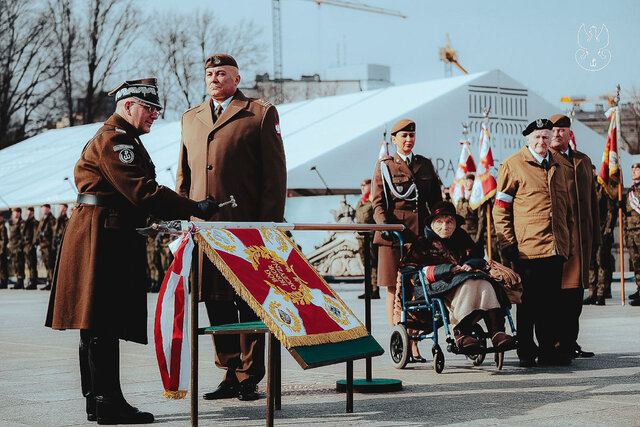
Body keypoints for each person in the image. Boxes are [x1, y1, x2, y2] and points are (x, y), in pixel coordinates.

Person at [45, 78, 218, 424]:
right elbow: (143, 191)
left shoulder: (122, 139)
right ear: (128, 106)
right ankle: (107, 401)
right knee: (102, 321)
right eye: (149, 108)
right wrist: (192, 207)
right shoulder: (116, 140)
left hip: (101, 231)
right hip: (102, 235)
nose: (155, 115)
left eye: (157, 109)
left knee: (95, 323)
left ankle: (98, 400)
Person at [176, 53, 287, 402]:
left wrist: (267, 227)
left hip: (245, 230)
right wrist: (182, 216)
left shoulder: (259, 114)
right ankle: (228, 370)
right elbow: (185, 176)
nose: (214, 78)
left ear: (236, 79)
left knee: (250, 301)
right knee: (215, 301)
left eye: (221, 73)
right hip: (204, 231)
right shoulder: (190, 119)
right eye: (209, 73)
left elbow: (274, 175)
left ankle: (250, 375)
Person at [494, 118, 573, 367]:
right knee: (528, 303)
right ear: (528, 139)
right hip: (527, 248)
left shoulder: (559, 164)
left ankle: (548, 349)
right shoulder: (513, 165)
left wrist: (567, 240)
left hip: (555, 246)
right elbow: (501, 208)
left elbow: (566, 209)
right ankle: (527, 350)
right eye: (537, 137)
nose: (542, 142)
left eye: (546, 137)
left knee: (551, 303)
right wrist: (506, 243)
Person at [398, 201, 517, 352]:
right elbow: (415, 272)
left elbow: (477, 256)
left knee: (484, 283)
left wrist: (471, 264)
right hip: (434, 285)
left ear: (455, 224)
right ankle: (461, 332)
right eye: (439, 222)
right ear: (432, 224)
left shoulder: (461, 237)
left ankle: (497, 331)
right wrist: (448, 269)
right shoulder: (423, 243)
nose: (445, 226)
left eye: (449, 222)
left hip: (464, 279)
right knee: (468, 284)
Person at [372, 118, 442, 332]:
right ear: (394, 140)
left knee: (419, 287)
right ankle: (399, 336)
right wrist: (384, 226)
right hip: (393, 236)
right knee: (393, 288)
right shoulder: (385, 166)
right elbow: (377, 202)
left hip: (420, 237)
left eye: (412, 135)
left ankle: (414, 338)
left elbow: (436, 201)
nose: (408, 139)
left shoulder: (425, 164)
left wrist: (442, 224)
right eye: (404, 136)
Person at [549, 114, 599, 358]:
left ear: (570, 134)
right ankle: (558, 344)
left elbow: (592, 202)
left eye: (562, 130)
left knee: (576, 296)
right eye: (554, 131)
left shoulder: (583, 160)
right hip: (560, 240)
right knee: (559, 296)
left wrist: (596, 236)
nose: (557, 134)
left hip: (582, 240)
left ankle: (570, 341)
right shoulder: (546, 160)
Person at [587, 165, 616, 304]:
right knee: (590, 263)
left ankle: (600, 294)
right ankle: (592, 293)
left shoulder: (602, 187)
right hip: (588, 232)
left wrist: (608, 230)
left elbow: (611, 211)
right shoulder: (582, 187)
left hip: (602, 230)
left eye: (591, 170)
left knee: (601, 262)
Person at [625, 163, 640, 306]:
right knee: (636, 263)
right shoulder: (630, 191)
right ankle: (639, 289)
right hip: (631, 231)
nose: (634, 171)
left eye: (636, 169)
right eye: (632, 169)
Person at [455, 173, 482, 251]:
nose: (466, 183)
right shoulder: (461, 199)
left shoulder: (477, 199)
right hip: (461, 233)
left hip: (473, 232)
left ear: (474, 182)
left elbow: (481, 219)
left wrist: (478, 237)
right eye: (465, 181)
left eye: (469, 181)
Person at [36, 204, 56, 290]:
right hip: (42, 245)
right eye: (42, 208)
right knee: (46, 264)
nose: (44, 210)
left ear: (49, 209)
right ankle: (48, 281)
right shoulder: (41, 220)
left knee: (50, 264)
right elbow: (38, 231)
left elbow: (54, 233)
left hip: (48, 245)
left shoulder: (52, 220)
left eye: (45, 208)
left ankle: (52, 282)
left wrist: (53, 245)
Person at [8, 207, 26, 289]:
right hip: (13, 247)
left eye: (15, 212)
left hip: (18, 248)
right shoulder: (13, 223)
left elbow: (22, 236)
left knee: (19, 265)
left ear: (19, 213)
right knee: (15, 264)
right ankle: (18, 281)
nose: (13, 214)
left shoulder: (21, 223)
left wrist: (19, 247)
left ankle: (20, 282)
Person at [23, 207, 39, 289]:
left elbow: (36, 234)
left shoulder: (34, 222)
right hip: (26, 245)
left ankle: (33, 282)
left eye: (29, 213)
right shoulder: (26, 222)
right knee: (29, 264)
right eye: (27, 212)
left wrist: (33, 245)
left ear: (32, 213)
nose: (28, 214)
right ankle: (31, 280)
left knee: (32, 264)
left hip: (30, 246)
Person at [0, 218, 7, 289]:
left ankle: (3, 282)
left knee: (2, 266)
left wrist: (1, 250)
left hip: (1, 250)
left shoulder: (2, 227)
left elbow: (4, 239)